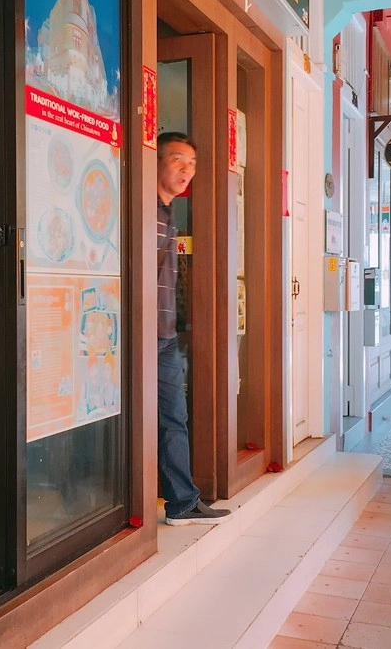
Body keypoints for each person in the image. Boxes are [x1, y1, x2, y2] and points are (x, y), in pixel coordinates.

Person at [155, 132, 231, 526]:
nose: (186, 170)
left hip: (164, 336)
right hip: (140, 337)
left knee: (174, 416)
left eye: (192, 163)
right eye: (177, 160)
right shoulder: (145, 211)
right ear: (156, 160)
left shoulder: (167, 212)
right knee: (142, 419)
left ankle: (181, 503)